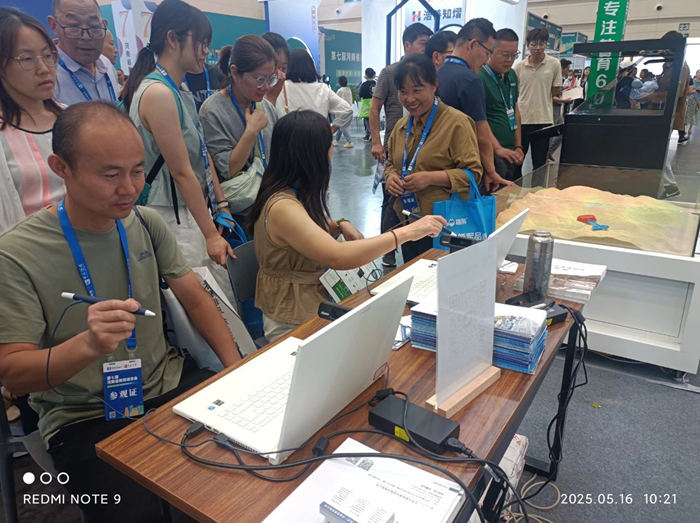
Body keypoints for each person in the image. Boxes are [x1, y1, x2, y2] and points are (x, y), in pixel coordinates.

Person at [0, 101, 241, 523]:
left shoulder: (144, 223)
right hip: (84, 417)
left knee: (245, 477)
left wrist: (236, 369)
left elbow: (196, 299)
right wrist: (89, 344)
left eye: (137, 171)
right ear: (61, 168)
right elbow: (15, 374)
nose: (128, 188)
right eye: (110, 175)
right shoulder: (17, 254)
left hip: (170, 385)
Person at [248, 110, 447, 342]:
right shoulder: (282, 206)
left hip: (308, 303)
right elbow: (338, 256)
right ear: (313, 155)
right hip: (292, 319)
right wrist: (407, 232)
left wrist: (340, 225)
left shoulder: (290, 192)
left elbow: (304, 232)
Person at [120, 0, 234, 302]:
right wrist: (210, 234)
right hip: (172, 215)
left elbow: (200, 153)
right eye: (201, 42)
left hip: (188, 211)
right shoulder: (158, 93)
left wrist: (219, 206)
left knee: (211, 296)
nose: (206, 51)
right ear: (173, 38)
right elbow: (181, 172)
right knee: (200, 301)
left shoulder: (176, 88)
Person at [385, 54, 484, 262]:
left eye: (417, 90)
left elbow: (473, 174)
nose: (409, 99)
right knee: (414, 274)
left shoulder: (456, 123)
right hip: (409, 221)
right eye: (403, 91)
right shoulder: (401, 127)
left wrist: (430, 178)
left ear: (434, 85)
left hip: (444, 225)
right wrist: (391, 177)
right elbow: (390, 163)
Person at [370, 23, 432, 267]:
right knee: (391, 199)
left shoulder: (428, 73)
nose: (425, 48)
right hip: (394, 147)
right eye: (422, 43)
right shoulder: (389, 73)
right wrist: (377, 142)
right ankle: (388, 248)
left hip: (422, 145)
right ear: (407, 44)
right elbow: (374, 108)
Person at [0, 8, 65, 233]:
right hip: (21, 250)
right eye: (26, 59)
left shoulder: (73, 119)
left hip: (86, 245)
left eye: (48, 56)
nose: (44, 69)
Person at [200, 36, 279, 217]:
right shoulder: (212, 111)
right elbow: (228, 170)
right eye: (259, 79)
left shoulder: (267, 108)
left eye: (271, 78)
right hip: (238, 212)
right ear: (235, 73)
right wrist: (251, 131)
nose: (266, 87)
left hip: (271, 206)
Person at [438, 18, 509, 191]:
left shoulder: (435, 75)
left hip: (437, 165)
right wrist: (491, 171)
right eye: (487, 53)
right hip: (463, 169)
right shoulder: (470, 80)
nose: (486, 60)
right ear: (473, 44)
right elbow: (481, 136)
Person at [48, 0, 121, 105]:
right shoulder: (47, 75)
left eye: (94, 26)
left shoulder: (106, 64)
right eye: (74, 26)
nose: (86, 37)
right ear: (54, 25)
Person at [478, 28, 524, 182]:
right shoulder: (480, 77)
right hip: (491, 154)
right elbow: (479, 121)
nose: (510, 60)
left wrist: (518, 146)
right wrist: (497, 148)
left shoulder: (512, 74)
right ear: (491, 51)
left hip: (511, 152)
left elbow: (515, 111)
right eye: (505, 55)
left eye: (514, 55)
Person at [514, 28, 562, 170]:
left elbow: (555, 90)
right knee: (517, 161)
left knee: (540, 162)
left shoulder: (554, 64)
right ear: (528, 45)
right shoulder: (519, 67)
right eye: (534, 44)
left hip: (543, 119)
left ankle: (538, 185)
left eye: (542, 44)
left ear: (546, 44)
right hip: (522, 119)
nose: (538, 48)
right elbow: (515, 92)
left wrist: (542, 97)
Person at [274, 49, 352, 131]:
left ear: (290, 66)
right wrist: (330, 131)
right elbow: (347, 110)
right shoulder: (323, 89)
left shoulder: (280, 87)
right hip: (318, 137)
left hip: (288, 136)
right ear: (311, 66)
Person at [547, 58, 574, 160]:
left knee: (562, 131)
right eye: (567, 69)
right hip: (552, 108)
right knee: (550, 133)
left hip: (558, 109)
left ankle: (548, 152)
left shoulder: (561, 79)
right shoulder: (552, 79)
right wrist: (564, 100)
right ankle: (546, 154)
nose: (568, 72)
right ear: (562, 68)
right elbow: (549, 96)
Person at [261, 32, 290, 107]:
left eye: (283, 68)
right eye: (274, 69)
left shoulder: (287, 88)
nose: (280, 75)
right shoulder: (253, 92)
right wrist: (271, 98)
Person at [333, 76, 354, 148]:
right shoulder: (349, 90)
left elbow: (335, 100)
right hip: (349, 110)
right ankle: (336, 140)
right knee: (340, 125)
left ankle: (349, 141)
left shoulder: (340, 91)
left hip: (342, 111)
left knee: (342, 127)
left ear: (339, 82)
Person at [359, 68, 376, 142]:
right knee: (374, 120)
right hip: (374, 103)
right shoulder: (375, 83)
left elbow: (360, 94)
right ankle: (372, 135)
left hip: (366, 104)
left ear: (366, 75)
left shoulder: (364, 84)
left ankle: (368, 134)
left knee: (366, 120)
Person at [683, 69, 700, 141]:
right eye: (699, 72)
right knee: (687, 114)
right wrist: (694, 91)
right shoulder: (692, 81)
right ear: (696, 74)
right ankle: (683, 128)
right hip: (690, 99)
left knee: (694, 114)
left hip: (698, 100)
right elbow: (688, 91)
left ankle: (689, 128)